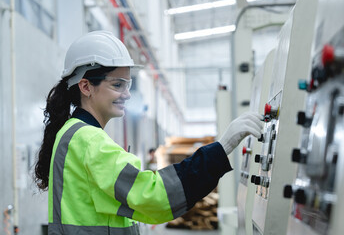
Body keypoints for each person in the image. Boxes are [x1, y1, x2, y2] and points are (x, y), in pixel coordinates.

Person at [33, 31, 263, 235]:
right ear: (86, 87)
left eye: (128, 85)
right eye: (117, 85)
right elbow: (155, 197)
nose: (127, 94)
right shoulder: (90, 141)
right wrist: (221, 149)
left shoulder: (70, 133)